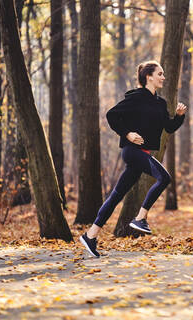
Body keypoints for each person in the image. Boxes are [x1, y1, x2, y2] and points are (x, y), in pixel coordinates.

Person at [79, 60, 187, 257]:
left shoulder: (160, 103)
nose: (163, 77)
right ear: (149, 77)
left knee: (116, 196)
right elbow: (112, 115)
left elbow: (169, 128)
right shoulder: (136, 98)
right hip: (131, 151)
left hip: (143, 154)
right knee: (164, 178)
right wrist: (127, 134)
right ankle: (140, 218)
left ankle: (90, 235)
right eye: (160, 74)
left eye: (163, 74)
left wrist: (179, 116)